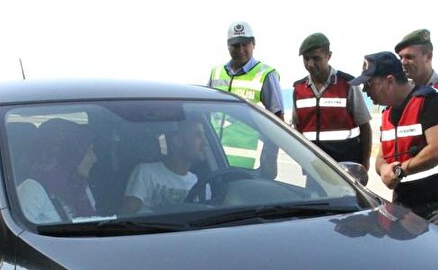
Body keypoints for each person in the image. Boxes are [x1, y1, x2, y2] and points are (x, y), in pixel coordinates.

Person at [351, 51, 438, 238]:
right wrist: (383, 168)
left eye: (369, 84)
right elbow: (383, 155)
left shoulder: (430, 102)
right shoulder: (388, 114)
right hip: (406, 207)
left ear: (389, 80)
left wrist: (400, 171)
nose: (365, 91)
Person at [208, 21, 284, 174]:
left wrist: (269, 159)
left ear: (253, 43)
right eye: (236, 46)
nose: (241, 50)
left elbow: (277, 122)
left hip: (249, 163)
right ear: (228, 46)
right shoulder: (216, 73)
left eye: (245, 44)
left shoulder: (265, 75)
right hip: (214, 160)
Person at [292, 33, 372, 170]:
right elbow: (297, 129)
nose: (310, 64)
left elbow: (365, 128)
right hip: (313, 168)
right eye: (306, 59)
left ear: (329, 56)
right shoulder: (298, 89)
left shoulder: (348, 84)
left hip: (345, 169)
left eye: (316, 58)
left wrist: (365, 164)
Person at [16, 120, 100, 224]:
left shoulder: (80, 185)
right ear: (70, 153)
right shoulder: (32, 189)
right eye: (88, 151)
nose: (94, 158)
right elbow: (22, 232)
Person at [122, 121, 208, 213]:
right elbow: (127, 216)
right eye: (198, 135)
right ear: (178, 141)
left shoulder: (201, 183)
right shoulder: (145, 173)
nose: (205, 142)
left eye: (204, 135)